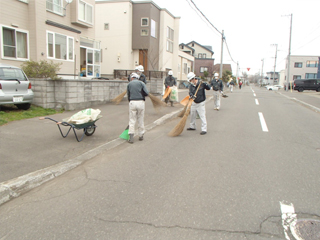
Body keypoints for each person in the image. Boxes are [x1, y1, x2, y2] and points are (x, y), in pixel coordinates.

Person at [127, 72, 149, 144]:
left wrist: (130, 101)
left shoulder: (129, 84)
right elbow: (146, 92)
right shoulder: (141, 83)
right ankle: (141, 135)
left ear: (132, 78)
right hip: (141, 102)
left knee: (132, 120)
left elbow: (128, 94)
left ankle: (131, 137)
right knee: (140, 118)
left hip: (132, 102)